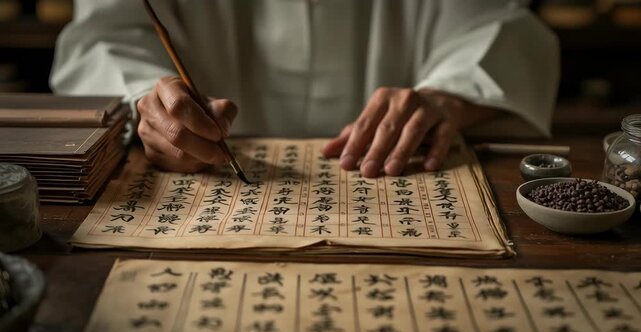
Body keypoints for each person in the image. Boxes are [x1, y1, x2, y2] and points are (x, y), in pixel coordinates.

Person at [51, 0, 559, 178]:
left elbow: (500, 27)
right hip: (207, 168)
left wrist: (449, 93)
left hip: (401, 164)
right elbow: (103, 36)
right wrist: (153, 102)